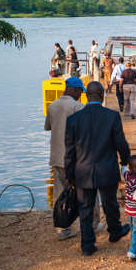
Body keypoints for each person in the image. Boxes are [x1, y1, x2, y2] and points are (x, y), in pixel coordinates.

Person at [65, 81, 131, 256]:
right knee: (110, 203)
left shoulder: (73, 120)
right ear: (102, 96)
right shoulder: (112, 116)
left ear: (87, 96)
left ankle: (87, 245)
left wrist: (69, 173)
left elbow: (69, 151)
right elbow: (121, 144)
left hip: (82, 171)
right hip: (107, 169)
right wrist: (125, 162)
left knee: (85, 208)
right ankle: (115, 232)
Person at [44, 77, 102, 241]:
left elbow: (48, 126)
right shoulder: (78, 107)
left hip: (56, 157)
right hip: (76, 159)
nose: (81, 95)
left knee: (60, 193)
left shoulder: (52, 106)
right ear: (75, 90)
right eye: (80, 92)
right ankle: (93, 224)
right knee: (89, 191)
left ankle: (63, 229)